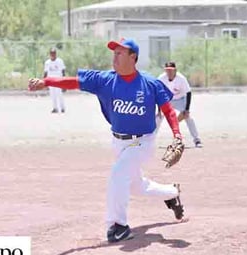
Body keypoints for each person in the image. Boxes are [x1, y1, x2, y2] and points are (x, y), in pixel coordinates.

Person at [28, 38, 185, 243]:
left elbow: (168, 111)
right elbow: (75, 82)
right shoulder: (105, 80)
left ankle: (118, 225)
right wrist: (46, 82)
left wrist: (178, 135)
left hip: (143, 142)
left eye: (120, 53)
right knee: (136, 186)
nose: (115, 57)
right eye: (114, 53)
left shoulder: (150, 84)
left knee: (118, 174)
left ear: (133, 57)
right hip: (118, 142)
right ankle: (172, 192)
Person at [157, 61, 203, 148]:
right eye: (167, 70)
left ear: (175, 70)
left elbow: (188, 92)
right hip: (167, 100)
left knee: (188, 118)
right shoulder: (161, 78)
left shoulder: (181, 78)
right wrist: (159, 110)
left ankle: (197, 140)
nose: (169, 72)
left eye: (171, 70)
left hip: (180, 99)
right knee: (158, 117)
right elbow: (157, 93)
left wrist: (186, 110)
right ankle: (149, 141)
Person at [44, 47, 66, 113]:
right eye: (51, 53)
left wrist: (64, 81)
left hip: (58, 80)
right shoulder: (47, 62)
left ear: (56, 54)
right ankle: (55, 108)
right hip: (51, 81)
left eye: (54, 53)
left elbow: (63, 71)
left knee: (59, 94)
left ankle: (62, 108)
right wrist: (45, 82)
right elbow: (45, 73)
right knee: (52, 95)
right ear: (50, 54)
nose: (53, 55)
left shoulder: (60, 61)